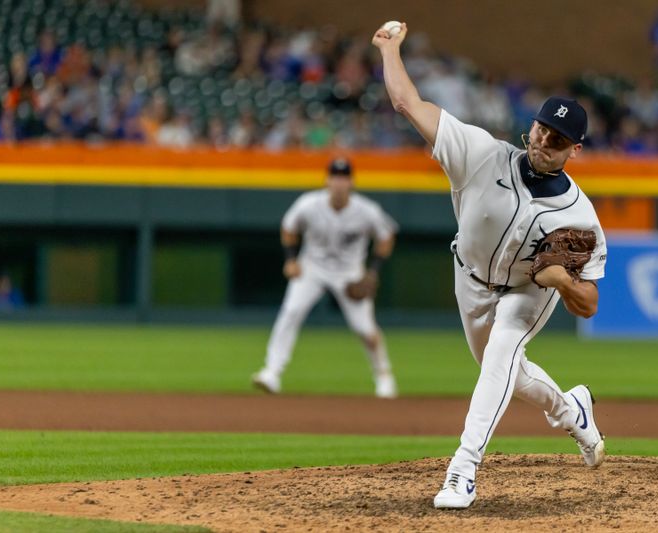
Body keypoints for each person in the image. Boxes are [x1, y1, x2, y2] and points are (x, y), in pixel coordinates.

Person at [372, 23, 607, 509]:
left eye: (559, 138)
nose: (546, 139)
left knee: (503, 351)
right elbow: (408, 104)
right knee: (504, 373)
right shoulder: (481, 154)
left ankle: (463, 468)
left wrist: (562, 278)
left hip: (527, 293)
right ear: (533, 124)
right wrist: (389, 50)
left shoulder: (579, 216)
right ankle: (571, 410)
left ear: (574, 150)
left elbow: (588, 304)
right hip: (470, 280)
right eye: (544, 127)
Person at [252, 158, 399, 399]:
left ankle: (384, 376)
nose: (339, 182)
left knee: (364, 328)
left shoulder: (366, 210)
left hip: (350, 273)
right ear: (327, 180)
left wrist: (373, 271)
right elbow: (289, 228)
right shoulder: (309, 204)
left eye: (343, 177)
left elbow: (386, 236)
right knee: (291, 311)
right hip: (313, 267)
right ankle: (272, 372)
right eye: (335, 177)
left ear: (351, 182)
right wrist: (290, 259)